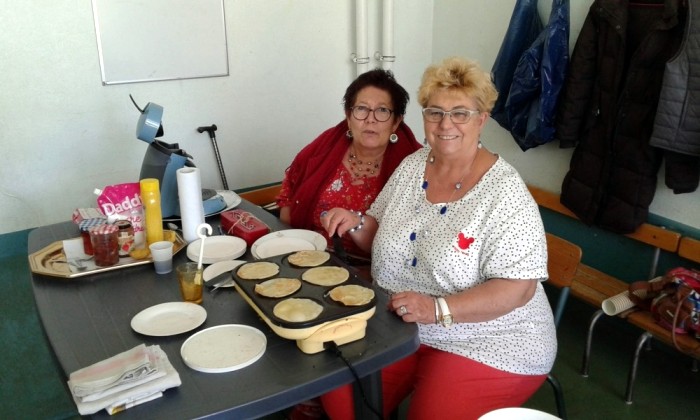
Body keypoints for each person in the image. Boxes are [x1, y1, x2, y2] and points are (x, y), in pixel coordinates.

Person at [318, 57, 557, 419]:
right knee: (340, 400)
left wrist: (437, 310)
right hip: (402, 324)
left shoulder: (505, 191)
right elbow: (381, 233)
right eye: (435, 112)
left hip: (488, 339)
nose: (446, 124)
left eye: (460, 113)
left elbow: (517, 290)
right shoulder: (413, 165)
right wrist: (355, 223)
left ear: (482, 119)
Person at [276, 69, 422, 260]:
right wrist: (291, 245)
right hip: (307, 253)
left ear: (396, 122)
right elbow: (289, 193)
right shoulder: (325, 146)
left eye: (382, 110)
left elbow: (410, 238)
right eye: (362, 109)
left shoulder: (415, 165)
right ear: (348, 116)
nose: (370, 119)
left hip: (370, 267)